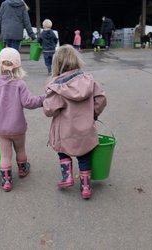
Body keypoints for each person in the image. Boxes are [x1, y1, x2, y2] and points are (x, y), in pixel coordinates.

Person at [43, 45, 107, 199]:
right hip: (85, 129)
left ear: (57, 64)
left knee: (62, 150)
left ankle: (67, 177)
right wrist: (93, 114)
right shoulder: (89, 80)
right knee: (84, 155)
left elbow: (49, 110)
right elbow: (101, 99)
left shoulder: (58, 87)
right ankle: (85, 187)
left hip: (65, 131)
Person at [0, 48, 45, 192]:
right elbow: (29, 102)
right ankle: (23, 169)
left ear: (0, 65)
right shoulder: (20, 84)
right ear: (18, 67)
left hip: (0, 128)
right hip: (18, 128)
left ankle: (6, 181)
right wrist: (43, 98)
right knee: (20, 148)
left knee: (5, 155)